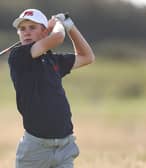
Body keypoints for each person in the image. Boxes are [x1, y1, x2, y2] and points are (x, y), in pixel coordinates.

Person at [8, 8, 95, 168]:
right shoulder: (18, 56)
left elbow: (87, 56)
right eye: (22, 29)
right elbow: (58, 37)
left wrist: (70, 26)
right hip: (35, 148)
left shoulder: (53, 60)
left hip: (64, 145)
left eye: (32, 27)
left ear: (44, 31)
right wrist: (59, 25)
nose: (26, 32)